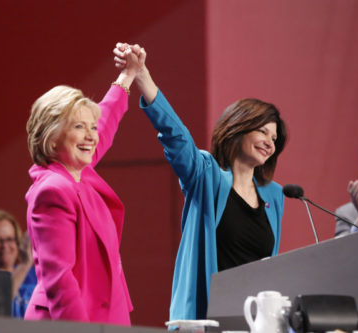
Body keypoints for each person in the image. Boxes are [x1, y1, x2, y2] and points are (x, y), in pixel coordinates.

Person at [114, 43, 288, 321]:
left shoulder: (275, 195)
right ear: (238, 128)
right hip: (208, 318)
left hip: (255, 323)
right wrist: (143, 77)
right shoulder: (206, 175)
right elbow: (176, 136)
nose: (270, 142)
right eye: (263, 132)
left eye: (274, 139)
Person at [24, 47, 142, 325]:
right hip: (72, 321)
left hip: (105, 316)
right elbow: (59, 279)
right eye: (79, 127)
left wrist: (127, 76)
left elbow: (107, 119)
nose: (91, 136)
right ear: (52, 138)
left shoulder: (79, 172)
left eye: (92, 127)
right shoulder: (53, 190)